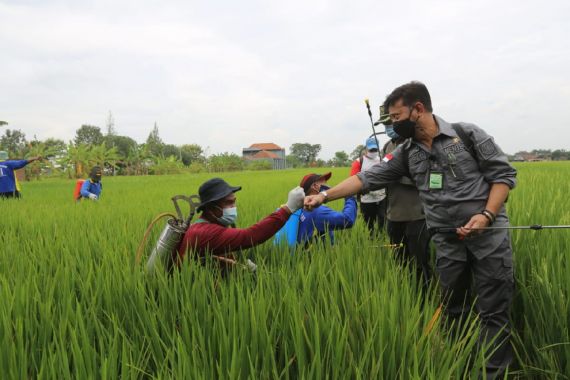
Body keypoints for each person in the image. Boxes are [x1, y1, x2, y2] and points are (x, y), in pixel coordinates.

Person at [304, 81, 516, 378]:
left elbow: (503, 176)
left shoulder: (467, 134)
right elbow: (367, 179)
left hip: (489, 239)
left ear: (418, 109)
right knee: (452, 309)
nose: (392, 124)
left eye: (395, 116)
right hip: (447, 243)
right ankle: (460, 367)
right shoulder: (407, 152)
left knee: (494, 310)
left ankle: (493, 374)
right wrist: (325, 195)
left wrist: (486, 215)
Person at [177, 178, 305, 266]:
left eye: (234, 201)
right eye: (228, 203)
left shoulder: (205, 226)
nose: (233, 207)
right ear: (210, 208)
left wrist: (239, 268)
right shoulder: (205, 232)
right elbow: (250, 236)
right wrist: (287, 209)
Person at [379, 107, 432, 290]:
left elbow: (426, 179)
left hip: (416, 216)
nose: (388, 127)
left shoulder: (416, 145)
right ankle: (405, 294)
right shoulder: (387, 146)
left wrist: (392, 175)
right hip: (393, 216)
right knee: (400, 262)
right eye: (385, 124)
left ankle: (424, 297)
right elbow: (381, 173)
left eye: (391, 122)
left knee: (420, 263)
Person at [297, 172, 357, 245]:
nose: (328, 185)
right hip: (317, 255)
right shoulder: (317, 211)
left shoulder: (302, 206)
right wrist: (350, 195)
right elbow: (348, 220)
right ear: (315, 186)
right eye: (325, 183)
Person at [350, 137, 387, 236]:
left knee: (383, 222)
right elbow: (353, 180)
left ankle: (382, 238)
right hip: (366, 199)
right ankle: (372, 239)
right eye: (371, 149)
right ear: (366, 148)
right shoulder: (358, 162)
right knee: (369, 224)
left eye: (375, 149)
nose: (373, 151)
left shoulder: (382, 160)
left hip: (382, 197)